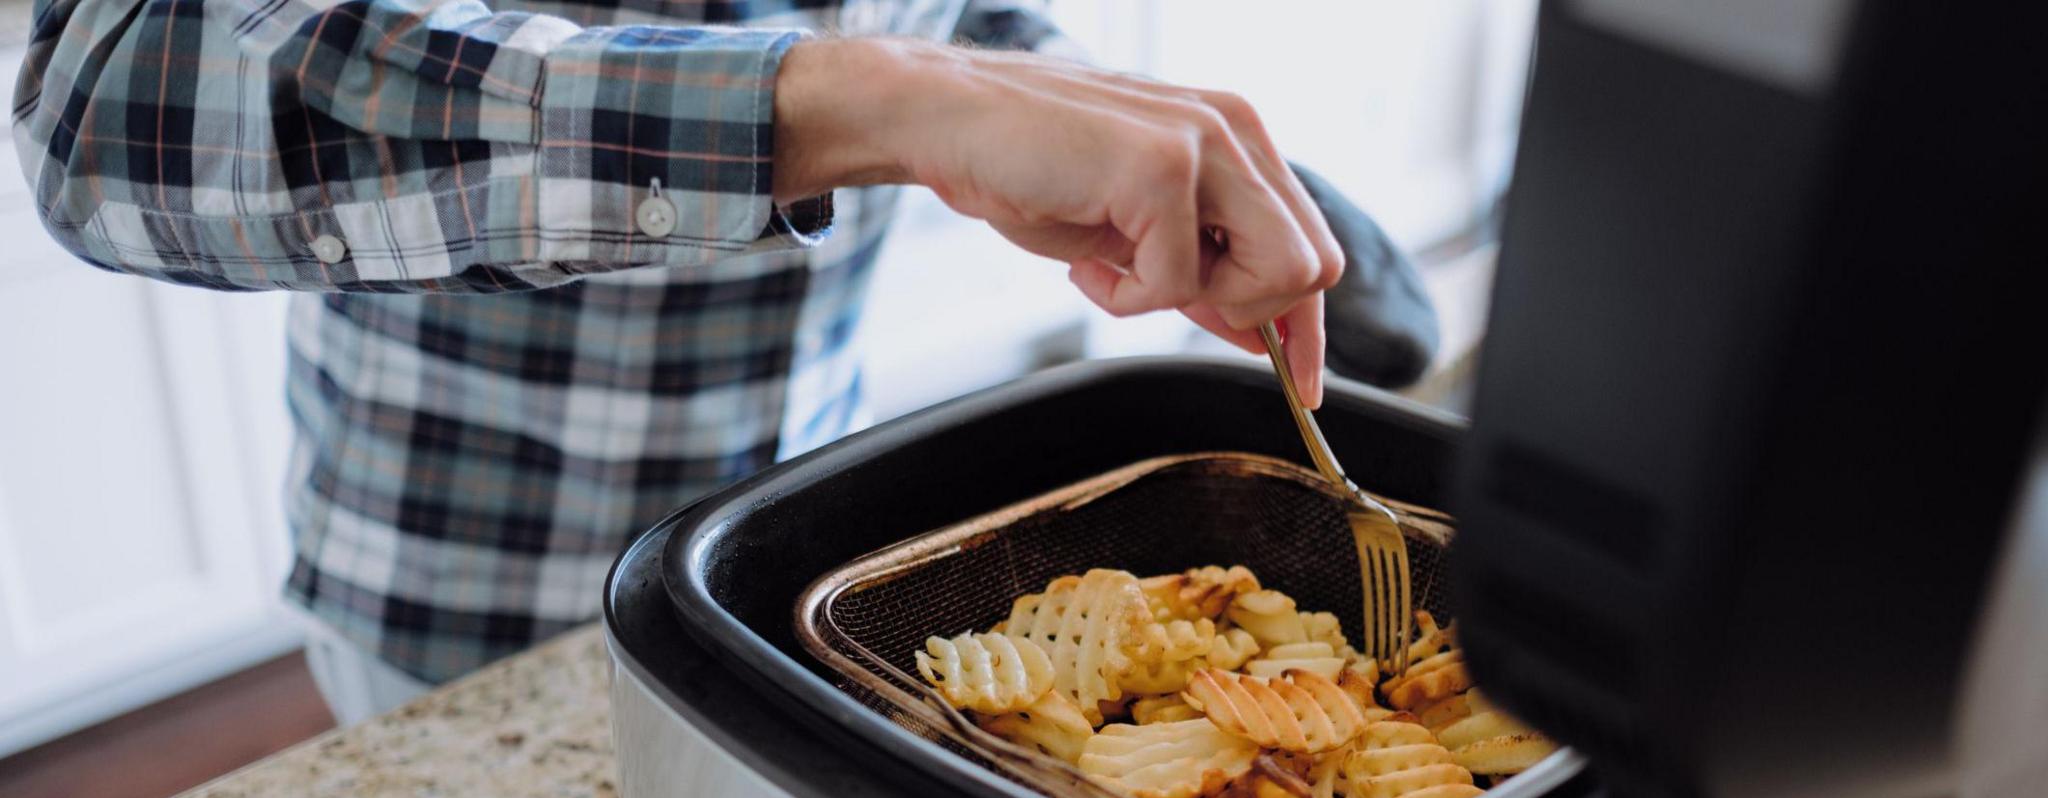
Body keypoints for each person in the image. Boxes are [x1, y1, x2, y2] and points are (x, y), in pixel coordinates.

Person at [12, 1, 1344, 724]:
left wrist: (1098, 120)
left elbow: (946, 24)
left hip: (793, 563)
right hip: (470, 612)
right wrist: (863, 101)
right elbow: (110, 102)